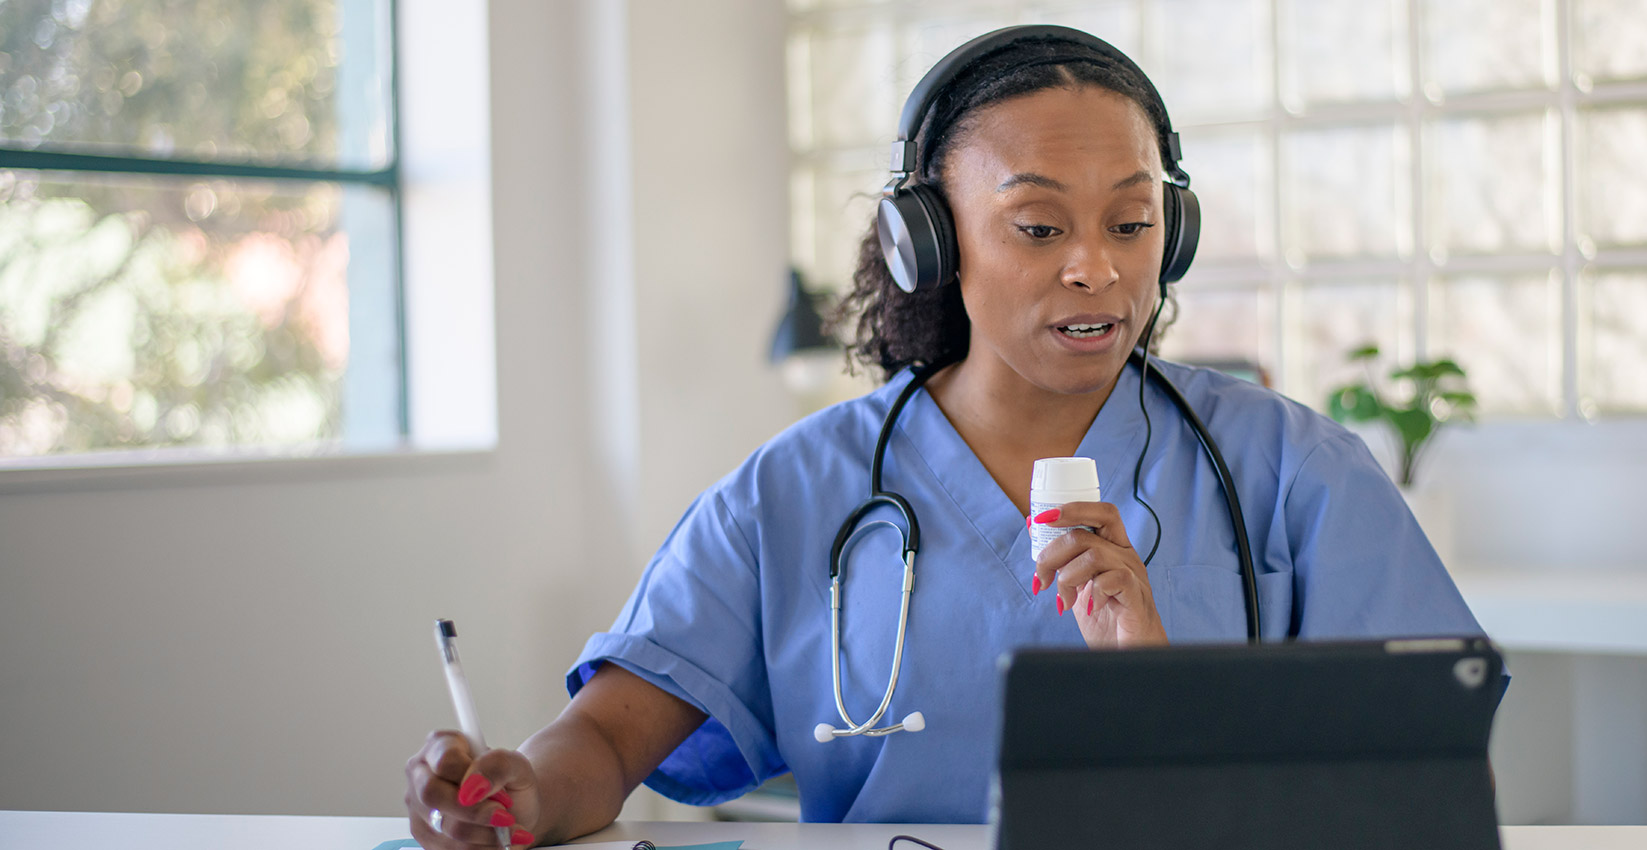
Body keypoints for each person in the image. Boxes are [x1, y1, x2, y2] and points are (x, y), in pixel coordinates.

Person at [403, 27, 1488, 848]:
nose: (1096, 270)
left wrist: (1166, 693)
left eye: (1131, 220)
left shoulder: (1296, 470)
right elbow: (604, 739)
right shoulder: (793, 491)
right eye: (1037, 226)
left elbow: (1406, 774)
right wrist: (524, 791)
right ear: (928, 242)